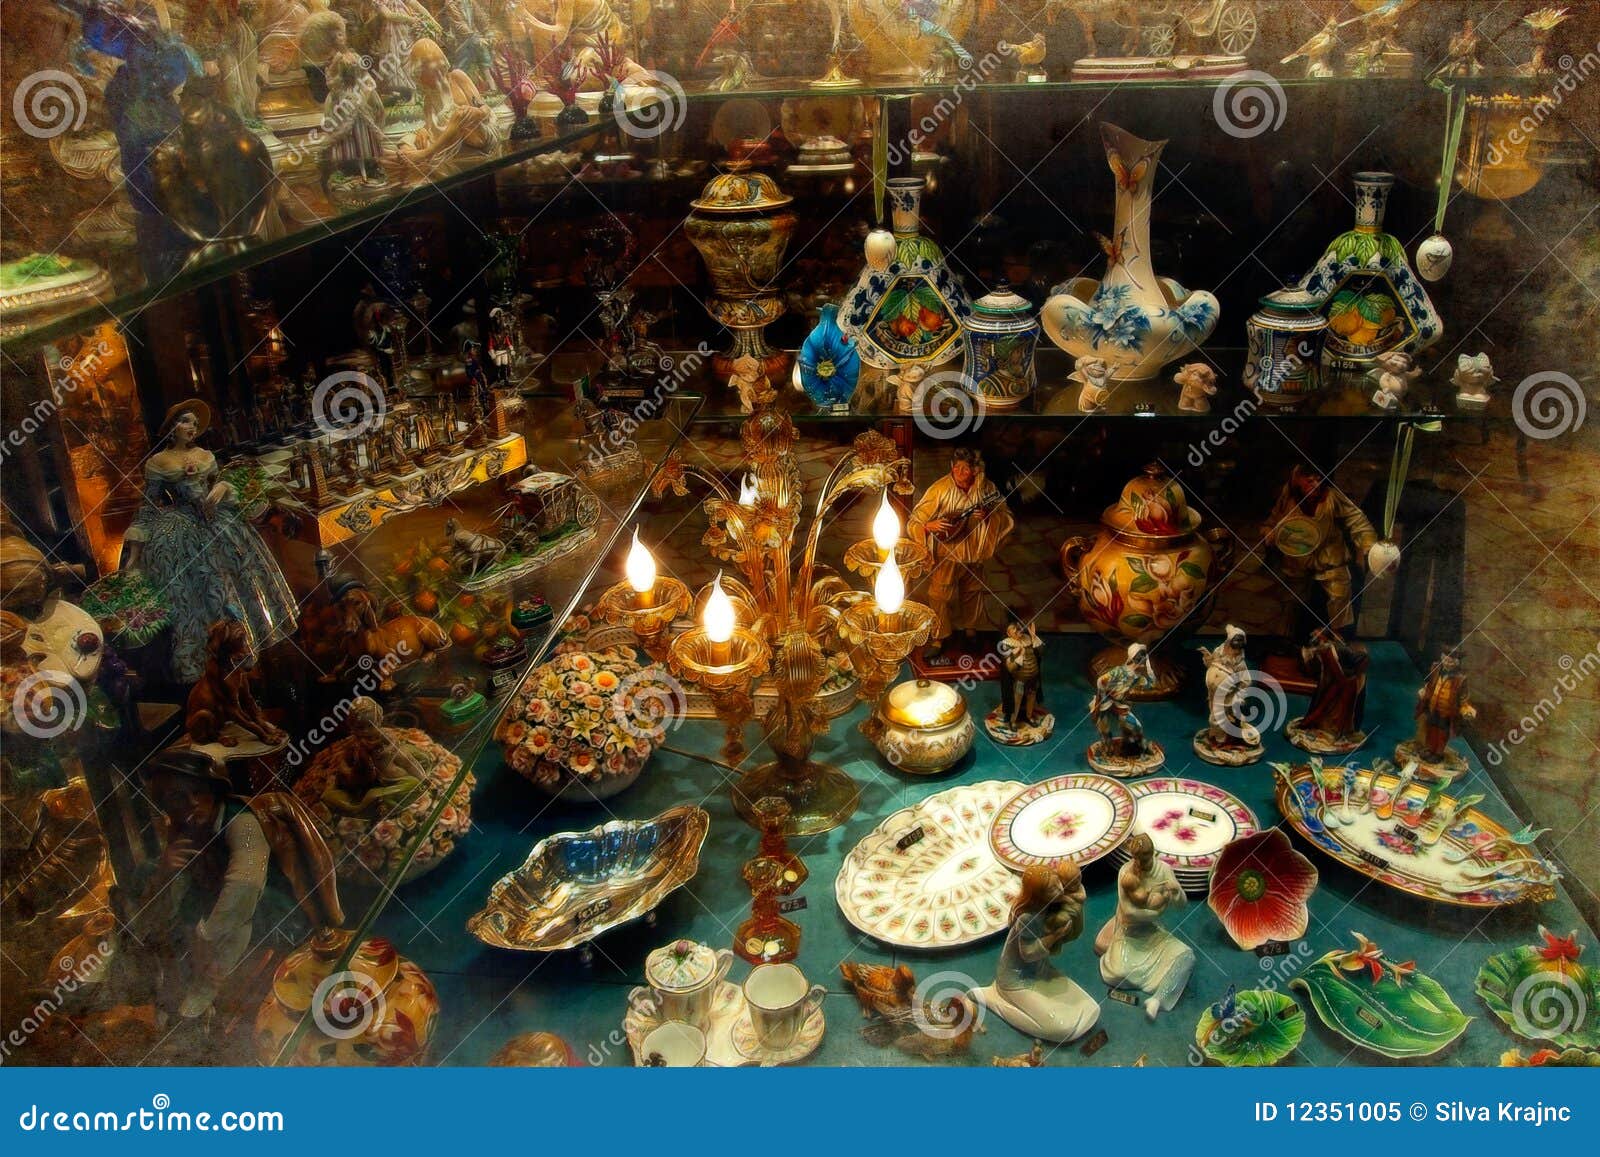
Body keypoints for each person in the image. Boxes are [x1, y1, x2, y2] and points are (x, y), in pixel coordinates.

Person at [133, 748, 341, 1024]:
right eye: (177, 798)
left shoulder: (242, 822)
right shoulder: (184, 831)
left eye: (198, 792)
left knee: (238, 921)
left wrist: (205, 937)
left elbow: (245, 885)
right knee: (164, 892)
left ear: (213, 790)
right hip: (220, 908)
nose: (192, 803)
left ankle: (212, 990)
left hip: (271, 909)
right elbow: (168, 905)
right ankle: (196, 989)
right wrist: (165, 873)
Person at [120, 401, 298, 683]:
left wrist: (222, 487)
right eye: (185, 422)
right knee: (196, 590)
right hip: (181, 528)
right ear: (172, 428)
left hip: (218, 521)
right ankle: (208, 658)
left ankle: (244, 648)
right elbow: (148, 506)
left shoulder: (205, 456)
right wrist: (134, 554)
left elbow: (219, 483)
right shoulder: (158, 463)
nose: (191, 427)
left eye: (194, 423)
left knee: (234, 579)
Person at [907, 447, 1014, 664]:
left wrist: (988, 517)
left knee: (973, 592)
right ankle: (940, 637)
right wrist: (929, 526)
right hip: (947, 553)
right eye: (956, 467)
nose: (959, 472)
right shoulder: (940, 489)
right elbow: (915, 519)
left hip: (974, 552)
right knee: (939, 595)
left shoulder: (987, 489)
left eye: (965, 468)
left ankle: (971, 631)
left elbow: (1005, 516)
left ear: (975, 470)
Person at [973, 863, 1099, 1043]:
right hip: (1016, 979)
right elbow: (1028, 954)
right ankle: (991, 998)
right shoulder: (1027, 918)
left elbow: (1076, 900)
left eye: (1058, 883)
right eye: (1052, 889)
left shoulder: (1051, 906)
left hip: (1039, 970)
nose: (1060, 889)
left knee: (1087, 1007)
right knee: (1061, 1028)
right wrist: (1054, 936)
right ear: (1039, 895)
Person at [1094, 833, 1194, 1020]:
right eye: (1136, 859)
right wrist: (1156, 912)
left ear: (1152, 853)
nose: (1139, 864)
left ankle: (1158, 999)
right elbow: (1128, 912)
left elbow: (1181, 905)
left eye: (1144, 859)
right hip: (1129, 933)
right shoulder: (1126, 872)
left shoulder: (1164, 870)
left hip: (1151, 932)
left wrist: (1177, 892)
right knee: (1118, 973)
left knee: (1186, 956)